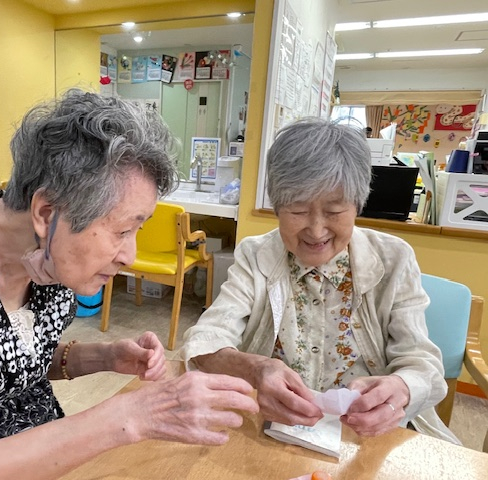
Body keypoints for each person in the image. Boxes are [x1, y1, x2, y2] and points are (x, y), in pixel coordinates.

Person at [0, 89, 258, 480]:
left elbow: (2, 362)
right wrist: (130, 416)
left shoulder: (49, 254)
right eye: (121, 230)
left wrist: (104, 356)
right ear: (46, 212)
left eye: (139, 229)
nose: (129, 256)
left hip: (24, 449)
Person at [182, 117, 459, 444]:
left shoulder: (393, 259)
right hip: (273, 432)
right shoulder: (256, 255)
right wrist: (256, 369)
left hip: (367, 437)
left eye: (334, 211)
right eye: (298, 211)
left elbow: (423, 365)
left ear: (357, 205)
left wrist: (401, 388)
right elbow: (206, 340)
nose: (315, 230)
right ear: (277, 208)